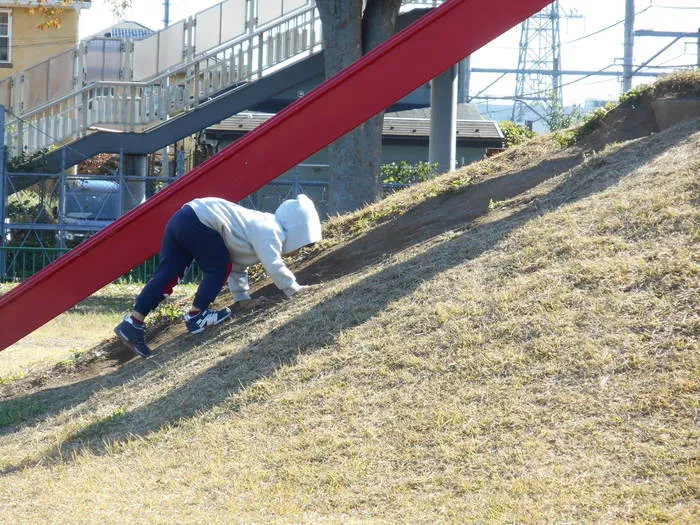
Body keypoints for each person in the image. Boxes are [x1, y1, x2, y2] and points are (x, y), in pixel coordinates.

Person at [114, 194, 322, 358]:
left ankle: (133, 322)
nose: (298, 252)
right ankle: (197, 316)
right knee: (219, 268)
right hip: (200, 219)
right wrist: (293, 290)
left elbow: (238, 267)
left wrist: (243, 300)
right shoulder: (270, 229)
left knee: (169, 274)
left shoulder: (253, 229)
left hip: (184, 217)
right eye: (302, 245)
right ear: (298, 232)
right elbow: (273, 264)